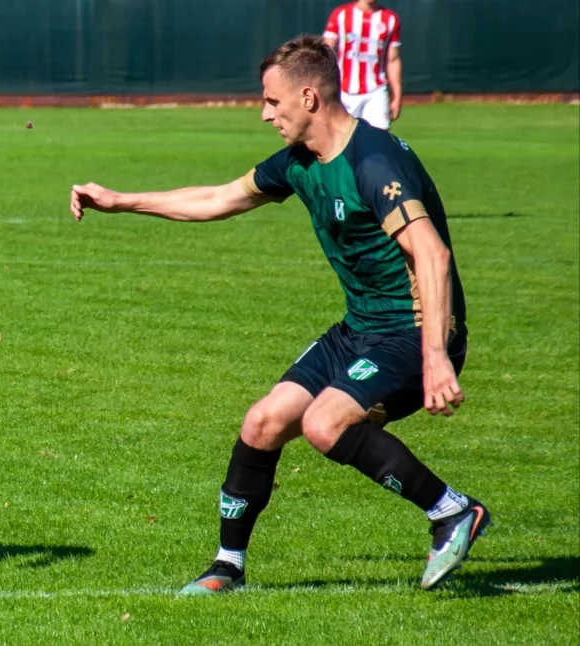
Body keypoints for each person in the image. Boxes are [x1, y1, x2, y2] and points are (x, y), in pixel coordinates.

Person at [70, 34, 488, 594]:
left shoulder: (373, 160)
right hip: (361, 326)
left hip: (413, 331)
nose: (264, 113)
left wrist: (435, 356)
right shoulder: (300, 163)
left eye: (273, 102)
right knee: (262, 423)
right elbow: (219, 199)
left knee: (323, 424)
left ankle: (451, 511)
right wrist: (122, 201)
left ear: (309, 98)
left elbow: (432, 253)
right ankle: (227, 567)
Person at [323, 0, 402, 130]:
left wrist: (397, 97)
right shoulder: (341, 14)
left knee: (379, 139)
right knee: (344, 139)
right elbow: (326, 52)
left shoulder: (390, 19)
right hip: (344, 91)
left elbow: (393, 60)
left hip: (376, 90)